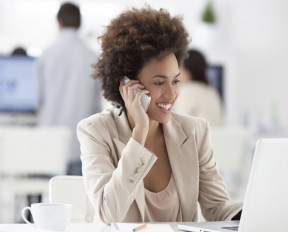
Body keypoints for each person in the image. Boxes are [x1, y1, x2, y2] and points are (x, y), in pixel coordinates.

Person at [77, 6, 242, 223]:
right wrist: (140, 133)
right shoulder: (96, 131)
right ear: (127, 85)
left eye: (175, 81)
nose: (172, 94)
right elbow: (109, 214)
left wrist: (256, 210)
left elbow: (218, 207)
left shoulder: (194, 131)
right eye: (158, 82)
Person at [36, 2, 101, 175]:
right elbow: (97, 106)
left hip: (50, 140)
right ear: (80, 24)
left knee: (50, 197)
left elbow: (39, 99)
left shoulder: (46, 55)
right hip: (81, 143)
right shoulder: (92, 57)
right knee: (77, 197)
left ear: (59, 23)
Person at [175, 49, 223, 126]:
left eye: (179, 67)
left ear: (187, 70)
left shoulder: (187, 91)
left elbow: (178, 125)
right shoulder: (212, 92)